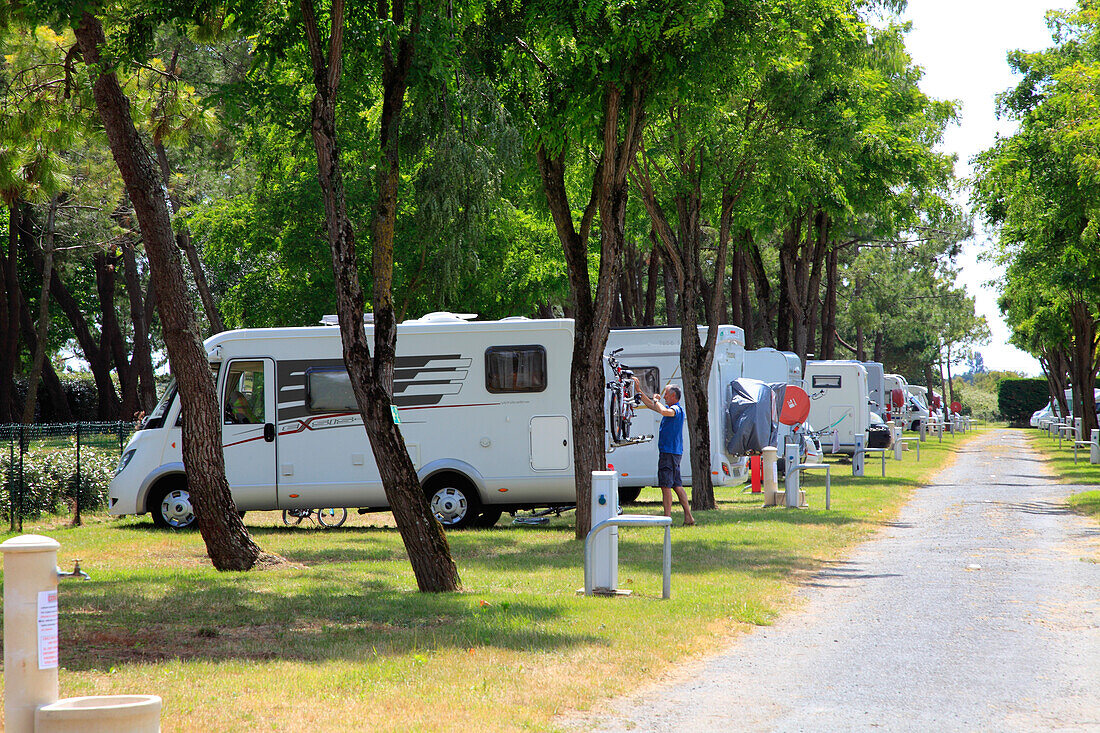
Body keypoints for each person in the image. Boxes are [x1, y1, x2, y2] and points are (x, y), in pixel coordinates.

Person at [634, 379, 695, 526]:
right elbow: (650, 405)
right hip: (672, 453)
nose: (664, 396)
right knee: (676, 485)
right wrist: (638, 389)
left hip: (669, 453)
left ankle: (667, 519)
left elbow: (663, 411)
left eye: (666, 394)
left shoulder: (676, 410)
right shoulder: (670, 408)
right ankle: (689, 517)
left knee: (665, 486)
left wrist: (656, 401)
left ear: (674, 396)